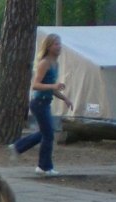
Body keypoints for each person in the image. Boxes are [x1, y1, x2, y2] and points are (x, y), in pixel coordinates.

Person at [8, 34, 73, 177]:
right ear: (49, 46)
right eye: (56, 44)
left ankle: (18, 147)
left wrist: (65, 99)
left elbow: (52, 88)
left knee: (45, 133)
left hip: (46, 103)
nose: (59, 46)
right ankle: (44, 167)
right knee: (49, 135)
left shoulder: (55, 63)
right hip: (38, 103)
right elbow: (36, 85)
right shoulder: (44, 63)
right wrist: (54, 85)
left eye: (59, 44)